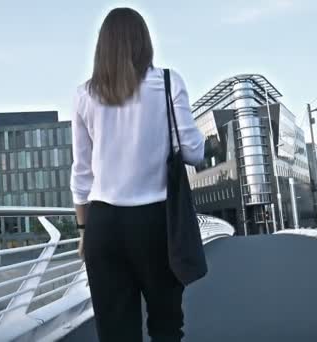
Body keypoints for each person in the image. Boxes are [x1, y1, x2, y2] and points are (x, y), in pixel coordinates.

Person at [70, 7, 205, 342]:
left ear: (103, 46)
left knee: (115, 332)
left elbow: (81, 173)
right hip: (157, 224)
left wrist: (84, 229)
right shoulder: (169, 83)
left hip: (103, 225)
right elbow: (194, 152)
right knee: (165, 325)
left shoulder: (85, 94)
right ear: (145, 42)